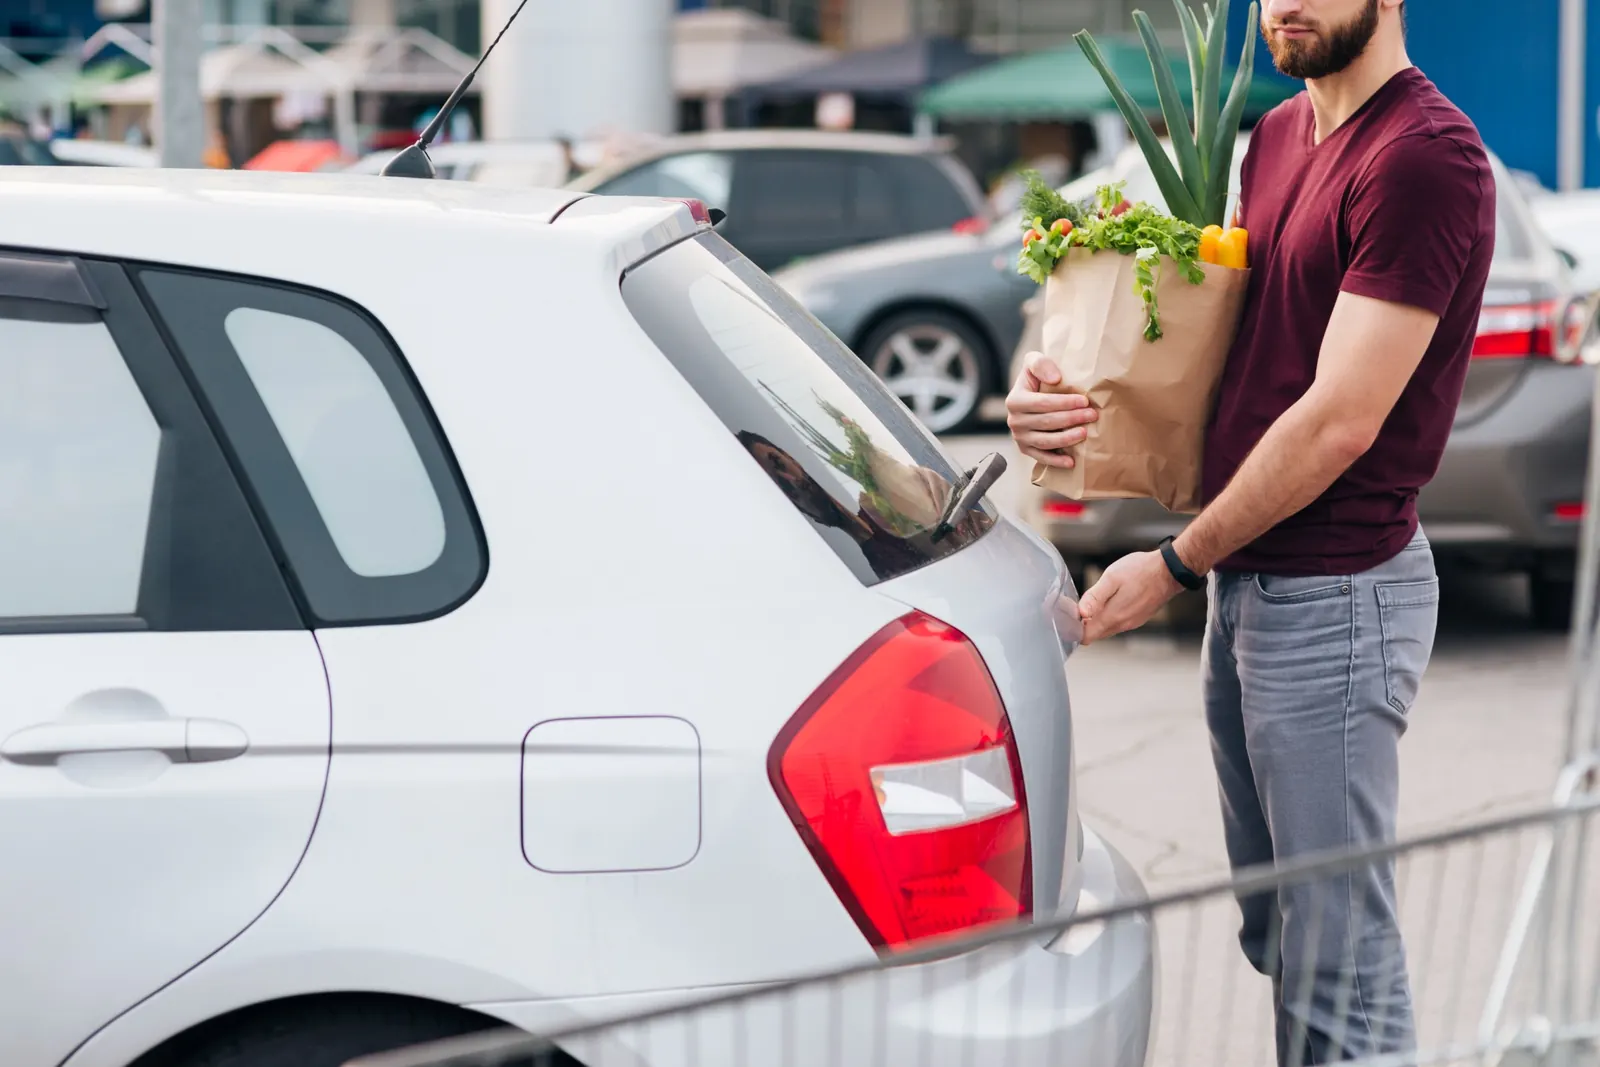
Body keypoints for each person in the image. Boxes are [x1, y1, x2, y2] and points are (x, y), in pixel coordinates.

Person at [1005, 1, 1495, 1063]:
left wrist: (1176, 564)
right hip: (1254, 588)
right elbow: (1221, 355)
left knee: (1339, 974)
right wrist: (1057, 393)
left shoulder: (1422, 157)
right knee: (1283, 932)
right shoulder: (1275, 138)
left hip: (1337, 594)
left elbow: (1336, 419)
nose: (1282, 5)